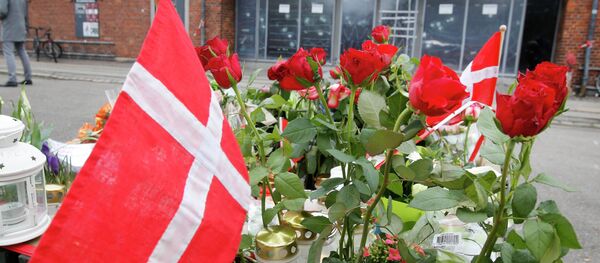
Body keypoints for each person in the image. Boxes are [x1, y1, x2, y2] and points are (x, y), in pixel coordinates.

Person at [0, 0, 32, 87]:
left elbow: (2, 11)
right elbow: (26, 13)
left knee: (8, 52)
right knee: (22, 51)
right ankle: (28, 78)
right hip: (21, 26)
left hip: (9, 27)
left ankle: (12, 79)